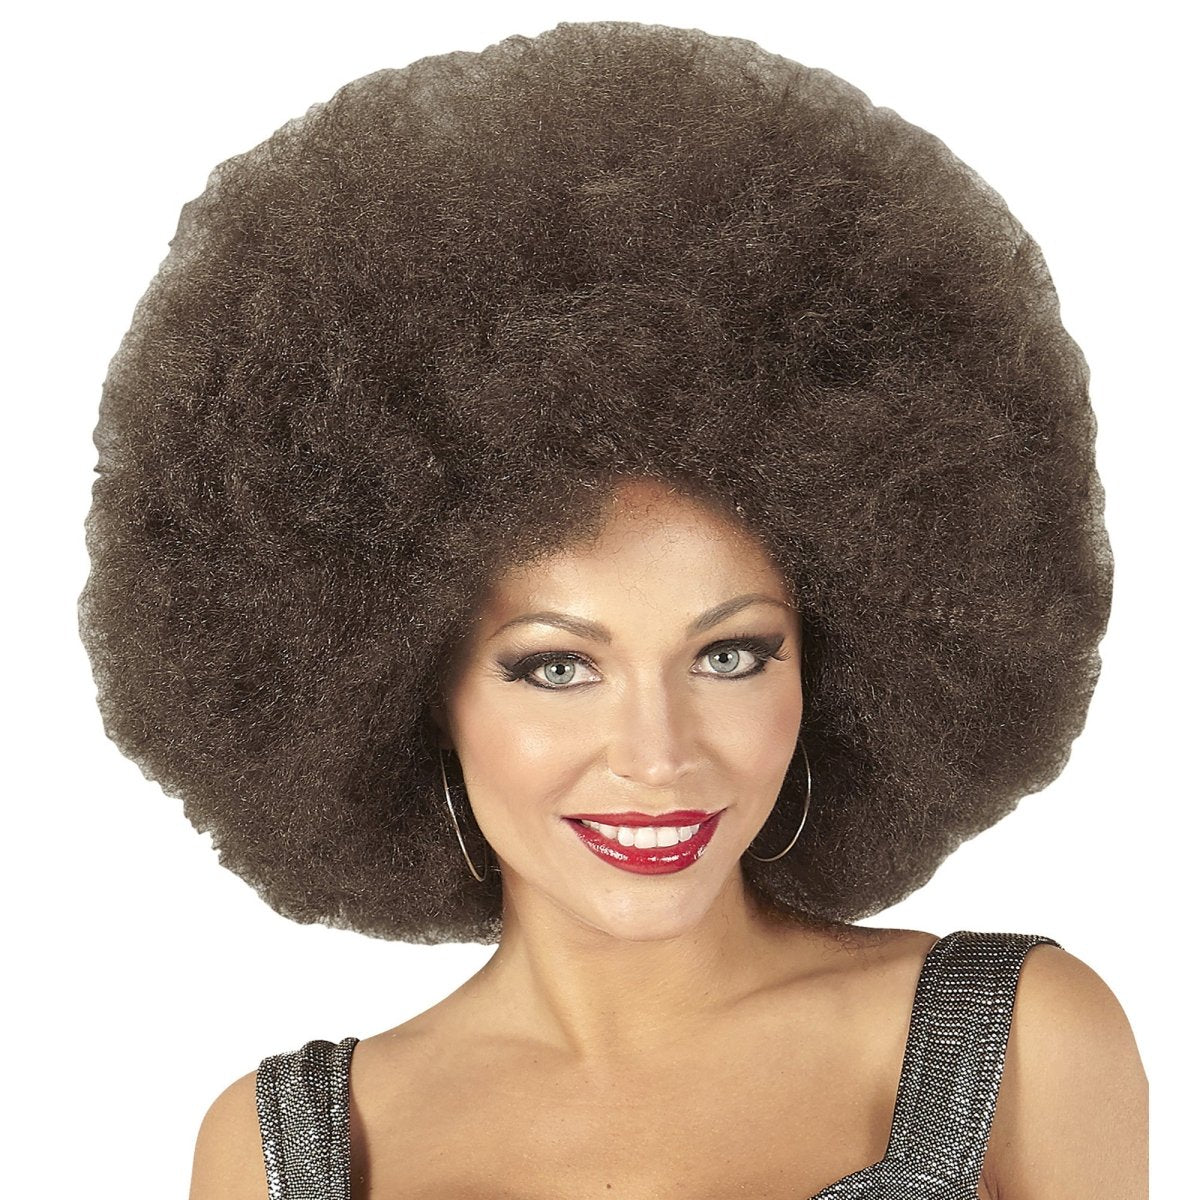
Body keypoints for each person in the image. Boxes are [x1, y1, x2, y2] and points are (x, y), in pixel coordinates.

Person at [77, 19, 1147, 1200]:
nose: (657, 754)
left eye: (730, 654)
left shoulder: (1018, 1046)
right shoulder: (281, 1153)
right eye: (555, 667)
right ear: (408, 689)